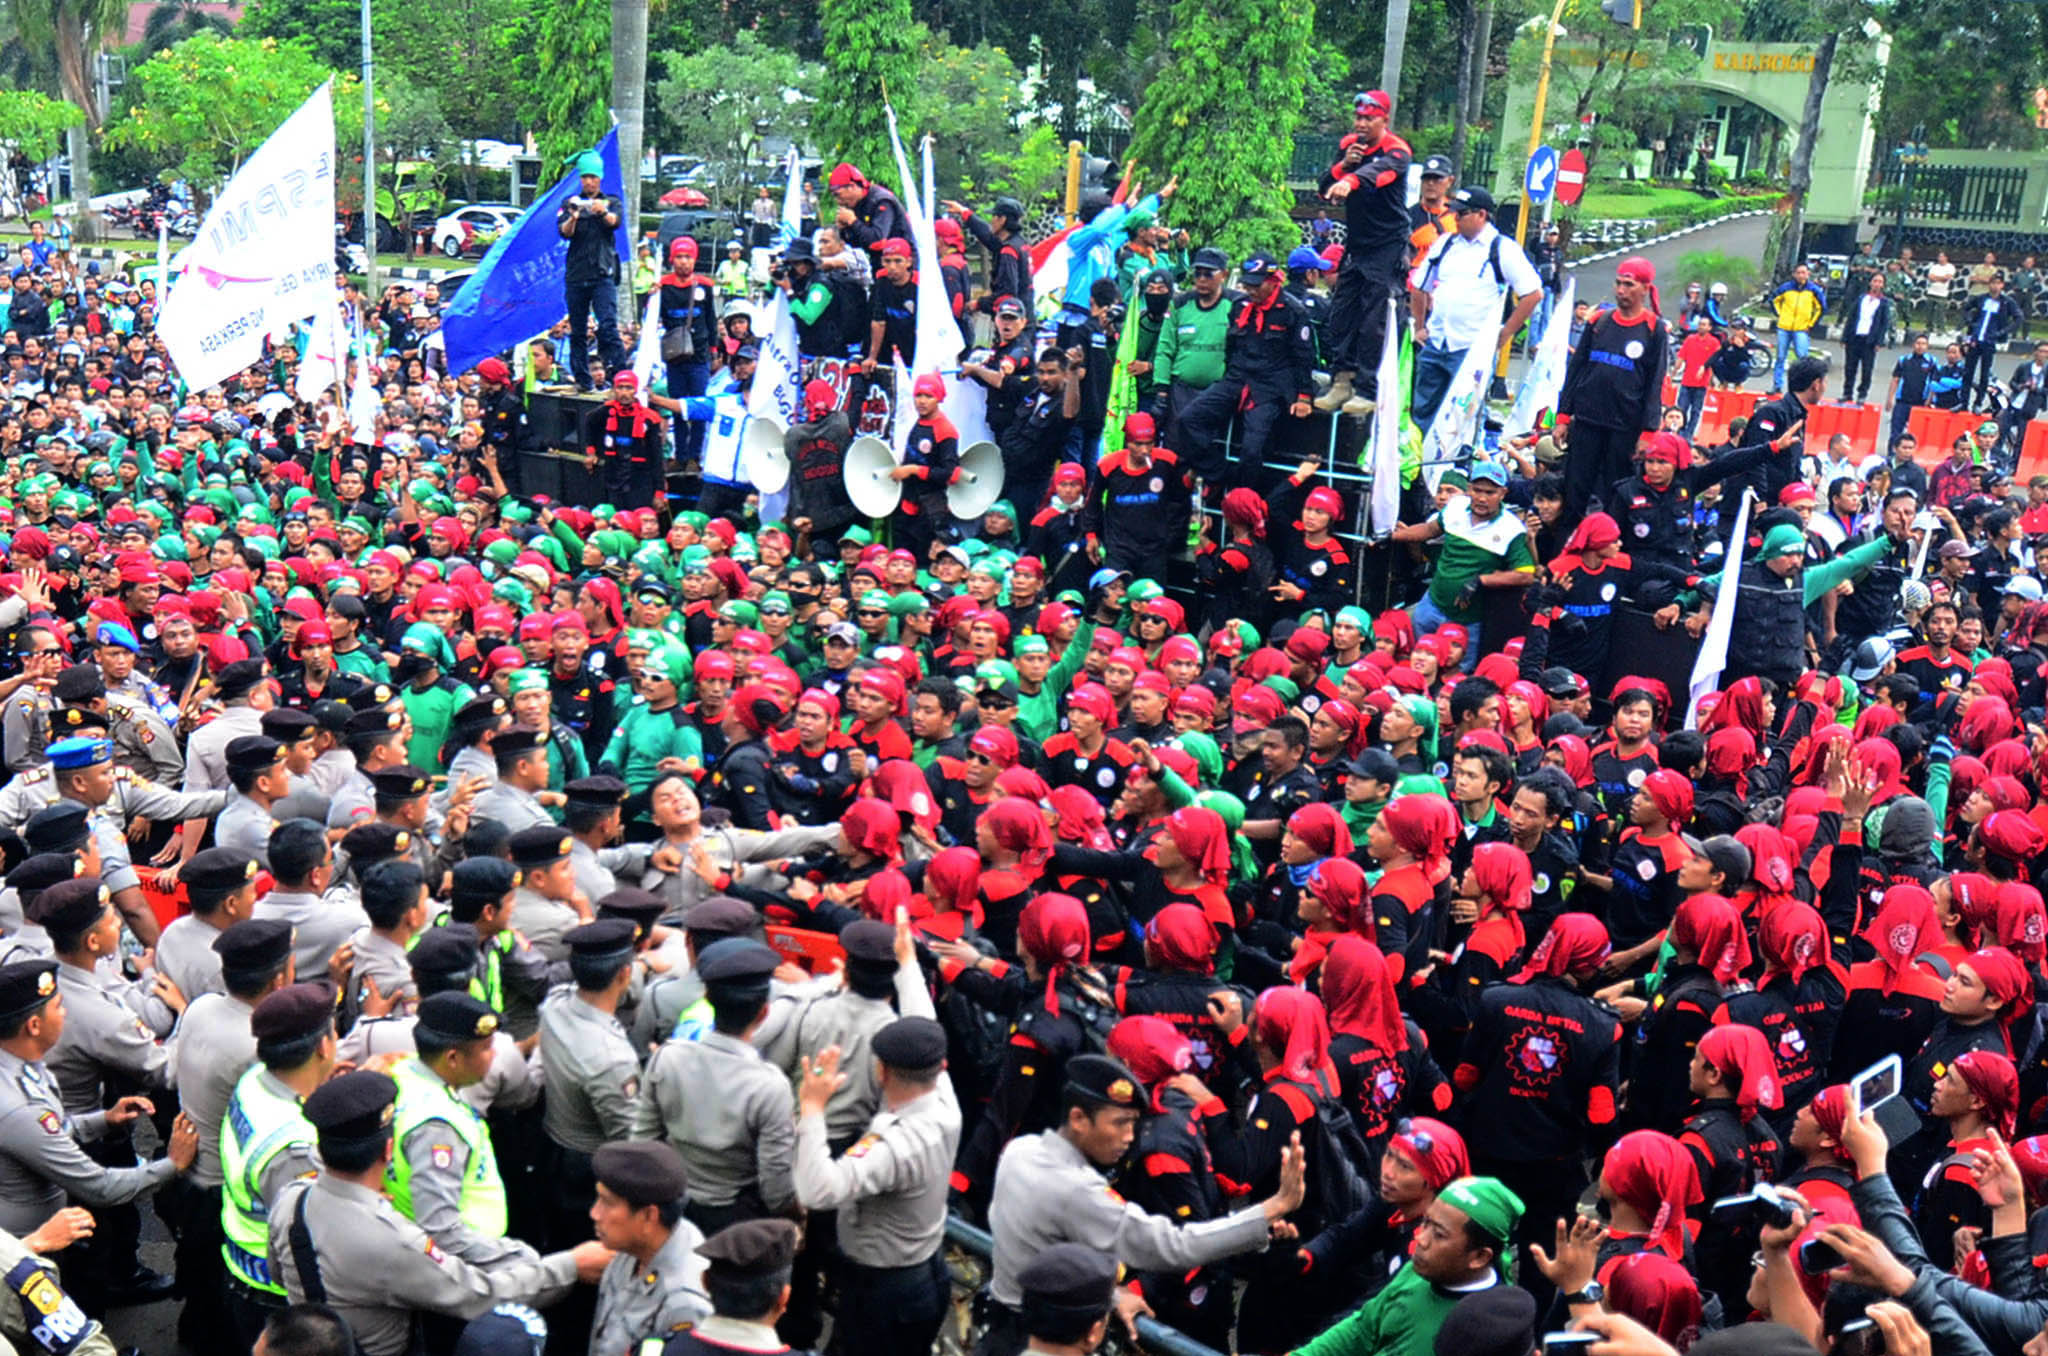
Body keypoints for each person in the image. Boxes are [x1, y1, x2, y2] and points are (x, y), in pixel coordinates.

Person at [978, 1052, 1307, 1356]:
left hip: (1003, 1327)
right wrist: (1273, 1207)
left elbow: (1044, 1250)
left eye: (1134, 1123)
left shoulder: (1023, 1151)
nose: (1129, 1136)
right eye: (1119, 1122)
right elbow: (1175, 1245)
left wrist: (1109, 1295)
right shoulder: (1077, 1192)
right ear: (1078, 1118)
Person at [266, 1071, 611, 1356]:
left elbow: (278, 1273)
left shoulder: (291, 1199)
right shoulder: (391, 1240)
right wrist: (568, 1267)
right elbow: (476, 1294)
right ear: (388, 1149)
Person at [790, 1014, 961, 1356]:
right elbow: (922, 1016)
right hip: (925, 1273)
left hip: (883, 1294)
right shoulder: (945, 1103)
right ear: (940, 1066)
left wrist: (811, 1108)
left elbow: (818, 1191)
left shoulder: (894, 1147)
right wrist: (907, 962)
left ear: (880, 1071)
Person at [1406, 187, 1541, 429]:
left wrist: (1505, 333)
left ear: (1481, 215)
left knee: (1461, 420)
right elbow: (1419, 286)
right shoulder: (1446, 244)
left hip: (1472, 348)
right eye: (1454, 213)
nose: (1455, 219)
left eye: (1462, 214)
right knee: (1421, 412)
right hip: (1437, 341)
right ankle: (1417, 464)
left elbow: (1533, 293)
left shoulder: (1501, 248)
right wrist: (1420, 326)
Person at [1316, 90, 1413, 416]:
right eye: (1358, 118)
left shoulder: (1396, 151)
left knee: (1375, 320)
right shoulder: (1348, 146)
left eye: (1368, 119)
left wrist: (1352, 179)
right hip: (1356, 245)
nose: (1361, 124)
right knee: (1341, 311)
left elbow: (1381, 174)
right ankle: (1341, 380)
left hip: (1387, 245)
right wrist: (1343, 167)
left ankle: (1369, 388)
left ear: (1384, 119)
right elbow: (1323, 185)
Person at [1558, 258, 1669, 517]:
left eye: (1629, 285)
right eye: (1618, 283)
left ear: (1644, 288)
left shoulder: (1654, 330)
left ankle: (1608, 550)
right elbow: (1575, 370)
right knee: (1575, 489)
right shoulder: (1598, 322)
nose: (1621, 290)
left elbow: (1655, 383)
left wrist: (1648, 431)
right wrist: (1563, 416)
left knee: (1615, 493)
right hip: (1587, 421)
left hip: (1625, 427)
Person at [587, 1140, 710, 1356]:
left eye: (607, 1203)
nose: (594, 1213)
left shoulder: (683, 1303)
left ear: (649, 1216)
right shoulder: (636, 1246)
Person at [559, 151, 626, 391]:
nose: (588, 182)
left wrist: (602, 211)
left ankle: (620, 374)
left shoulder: (612, 201)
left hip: (602, 274)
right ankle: (582, 379)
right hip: (576, 276)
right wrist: (574, 216)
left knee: (607, 325)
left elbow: (616, 222)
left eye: (593, 177)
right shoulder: (570, 203)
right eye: (585, 177)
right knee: (577, 331)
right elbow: (564, 232)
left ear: (600, 179)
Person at [1765, 263, 1825, 392]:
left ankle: (1801, 388)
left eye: (1804, 272)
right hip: (1784, 327)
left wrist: (1811, 324)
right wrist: (1780, 314)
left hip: (1801, 328)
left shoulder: (1814, 290)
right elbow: (1773, 300)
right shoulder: (1786, 288)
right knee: (1780, 357)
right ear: (1794, 274)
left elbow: (1821, 308)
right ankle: (1777, 385)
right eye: (1798, 272)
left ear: (1808, 274)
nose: (1801, 275)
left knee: (1803, 359)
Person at [1841, 273, 1891, 404]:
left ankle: (1862, 393)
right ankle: (1847, 392)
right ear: (1870, 283)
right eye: (1875, 281)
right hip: (1855, 337)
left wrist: (1879, 341)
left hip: (1870, 341)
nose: (1877, 284)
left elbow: (1884, 323)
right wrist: (1844, 337)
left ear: (1883, 285)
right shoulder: (1861, 298)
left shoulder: (1883, 302)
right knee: (1850, 367)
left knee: (1867, 369)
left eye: (1880, 282)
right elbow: (1851, 318)